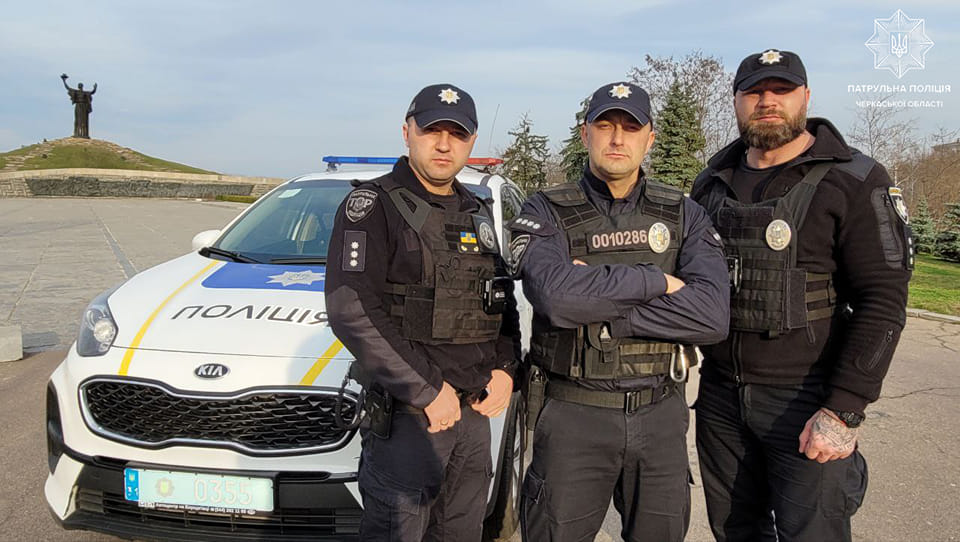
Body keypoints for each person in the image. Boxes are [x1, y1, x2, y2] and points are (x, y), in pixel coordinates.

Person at [690, 49, 913, 542]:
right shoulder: (711, 182)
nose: (767, 101)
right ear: (736, 101)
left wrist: (845, 408)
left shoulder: (853, 179)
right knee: (735, 531)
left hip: (807, 400)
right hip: (721, 397)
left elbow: (883, 300)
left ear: (806, 97)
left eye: (781, 90)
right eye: (754, 92)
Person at [512, 81, 729, 542]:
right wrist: (654, 282)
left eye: (631, 128)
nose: (617, 138)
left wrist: (606, 307)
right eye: (605, 125)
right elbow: (556, 298)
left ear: (649, 139)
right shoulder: (545, 209)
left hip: (659, 414)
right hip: (573, 414)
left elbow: (711, 315)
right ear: (585, 133)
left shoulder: (683, 214)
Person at [326, 83, 521, 542]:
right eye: (432, 130)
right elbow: (351, 308)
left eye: (457, 134)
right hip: (410, 419)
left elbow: (501, 300)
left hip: (472, 416)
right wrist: (427, 389)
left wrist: (506, 369)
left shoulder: (477, 211)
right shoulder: (374, 206)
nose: (444, 144)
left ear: (471, 142)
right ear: (407, 132)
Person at [61, 73, 97, 138]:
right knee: (77, 120)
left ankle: (84, 134)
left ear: (82, 86)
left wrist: (95, 88)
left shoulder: (85, 93)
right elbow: (68, 88)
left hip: (84, 107)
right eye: (79, 85)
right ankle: (77, 133)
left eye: (80, 85)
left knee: (84, 120)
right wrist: (64, 81)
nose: (80, 86)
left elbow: (92, 92)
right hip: (78, 106)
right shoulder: (76, 92)